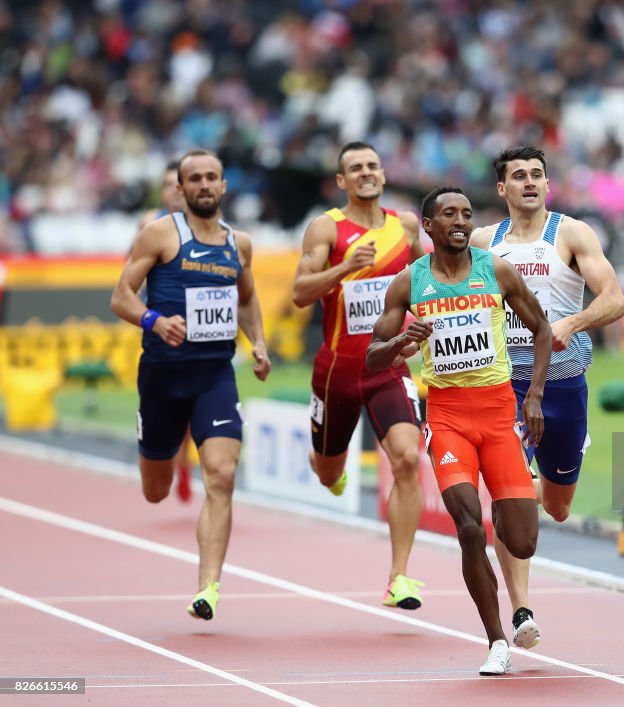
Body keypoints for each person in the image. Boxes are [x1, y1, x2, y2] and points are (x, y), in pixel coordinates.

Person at [366, 186, 551, 676]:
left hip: (497, 414)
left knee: (523, 540)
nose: (460, 220)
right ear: (428, 225)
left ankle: (513, 609)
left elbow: (543, 330)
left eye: (467, 213)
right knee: (470, 527)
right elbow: (373, 354)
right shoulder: (409, 283)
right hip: (448, 418)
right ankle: (495, 639)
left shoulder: (497, 269)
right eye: (448, 213)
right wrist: (404, 340)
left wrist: (533, 397)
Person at [469, 145, 624, 650]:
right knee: (510, 496)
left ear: (547, 184)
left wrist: (571, 323)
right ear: (502, 189)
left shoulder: (573, 233)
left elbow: (614, 299)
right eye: (519, 176)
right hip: (503, 384)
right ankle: (521, 612)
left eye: (537, 174)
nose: (530, 182)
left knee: (556, 506)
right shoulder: (481, 241)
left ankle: (526, 489)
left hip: (563, 383)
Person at [111, 149, 272, 620]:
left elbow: (247, 298)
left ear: (224, 187)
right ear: (180, 190)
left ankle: (208, 588)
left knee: (221, 474)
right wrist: (155, 321)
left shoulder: (238, 244)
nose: (204, 185)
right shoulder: (160, 234)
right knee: (155, 490)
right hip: (162, 377)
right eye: (194, 179)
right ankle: (161, 453)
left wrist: (258, 342)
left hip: (214, 376)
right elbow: (120, 296)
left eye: (212, 178)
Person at [291, 141, 427, 610]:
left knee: (408, 459)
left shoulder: (404, 226)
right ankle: (325, 467)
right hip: (337, 373)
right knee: (331, 469)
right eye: (355, 168)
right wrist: (345, 267)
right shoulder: (327, 227)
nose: (366, 173)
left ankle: (400, 577)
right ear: (342, 181)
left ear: (384, 175)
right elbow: (299, 292)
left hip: (387, 364)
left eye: (372, 165)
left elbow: (424, 278)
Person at [138, 160, 193, 504]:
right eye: (165, 185)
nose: (171, 191)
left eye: (176, 184)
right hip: (158, 324)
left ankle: (185, 463)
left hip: (196, 326)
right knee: (163, 398)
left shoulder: (206, 225)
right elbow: (133, 272)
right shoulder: (150, 224)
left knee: (193, 399)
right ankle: (161, 452)